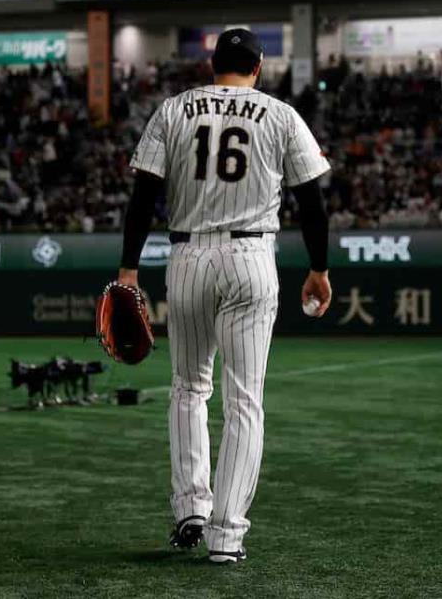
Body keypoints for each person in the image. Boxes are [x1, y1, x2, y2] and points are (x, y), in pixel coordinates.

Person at [116, 28, 333, 565]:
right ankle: (226, 535)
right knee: (244, 402)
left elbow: (143, 194)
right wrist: (320, 267)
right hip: (251, 258)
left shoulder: (174, 109)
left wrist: (128, 270)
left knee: (188, 388)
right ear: (257, 67)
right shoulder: (281, 114)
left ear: (214, 66)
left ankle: (190, 506)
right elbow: (312, 201)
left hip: (186, 258)